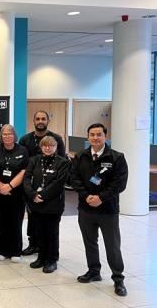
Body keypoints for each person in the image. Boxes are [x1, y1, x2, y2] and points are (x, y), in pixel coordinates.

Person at [71, 123, 128, 296]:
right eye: (92, 134)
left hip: (108, 210)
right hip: (86, 209)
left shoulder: (117, 157)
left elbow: (119, 183)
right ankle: (94, 271)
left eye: (99, 134)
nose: (95, 137)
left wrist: (100, 198)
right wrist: (86, 196)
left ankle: (118, 279)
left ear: (105, 136)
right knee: (90, 242)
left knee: (112, 246)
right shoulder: (81, 156)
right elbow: (74, 178)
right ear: (88, 137)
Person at [19, 110, 66, 256]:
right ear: (33, 121)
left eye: (43, 119)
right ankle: (34, 245)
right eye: (37, 118)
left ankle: (50, 255)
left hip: (52, 192)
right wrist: (31, 193)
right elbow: (23, 165)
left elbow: (62, 164)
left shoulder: (57, 138)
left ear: (47, 121)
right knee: (34, 220)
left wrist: (45, 193)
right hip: (31, 189)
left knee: (51, 226)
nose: (40, 121)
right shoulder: (25, 139)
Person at [23, 136, 69, 273]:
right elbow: (26, 178)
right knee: (39, 232)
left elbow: (58, 184)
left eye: (51, 145)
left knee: (51, 232)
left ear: (56, 147)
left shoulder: (63, 162)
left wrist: (41, 195)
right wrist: (32, 195)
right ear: (41, 147)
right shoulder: (34, 160)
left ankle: (52, 260)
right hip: (36, 203)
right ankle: (41, 258)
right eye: (45, 145)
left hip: (53, 204)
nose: (48, 148)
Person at [0, 124, 29, 263]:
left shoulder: (22, 150)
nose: (7, 136)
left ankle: (15, 251)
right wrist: (0, 186)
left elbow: (24, 171)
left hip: (16, 193)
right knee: (0, 222)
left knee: (15, 222)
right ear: (1, 136)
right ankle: (2, 250)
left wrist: (10, 186)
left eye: (10, 134)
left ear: (14, 135)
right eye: (4, 134)